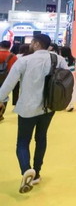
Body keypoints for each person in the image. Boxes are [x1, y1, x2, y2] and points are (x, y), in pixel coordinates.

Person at [0, 34, 69, 193]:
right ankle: (37, 173)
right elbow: (67, 81)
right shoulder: (58, 59)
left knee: (23, 142)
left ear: (37, 44)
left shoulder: (24, 61)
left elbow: (9, 84)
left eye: (32, 42)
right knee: (41, 138)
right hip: (49, 106)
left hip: (28, 108)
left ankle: (26, 169)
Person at [59, 46, 76, 111]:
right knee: (71, 91)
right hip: (72, 76)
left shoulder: (61, 59)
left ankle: (63, 104)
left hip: (63, 76)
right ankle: (70, 105)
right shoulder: (74, 59)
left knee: (63, 91)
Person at [0, 40, 17, 121]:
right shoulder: (13, 56)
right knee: (4, 96)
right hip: (7, 79)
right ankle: (0, 114)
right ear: (9, 46)